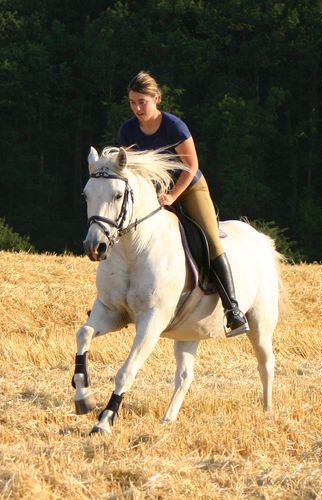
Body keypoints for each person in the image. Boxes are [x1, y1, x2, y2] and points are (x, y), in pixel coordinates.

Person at [117, 71, 249, 337]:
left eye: (142, 101)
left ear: (156, 99)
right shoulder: (128, 129)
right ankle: (115, 301)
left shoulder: (174, 126)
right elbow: (131, 170)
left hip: (188, 188)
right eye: (133, 102)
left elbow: (191, 167)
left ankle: (232, 309)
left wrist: (172, 197)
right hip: (153, 193)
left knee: (211, 240)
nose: (137, 108)